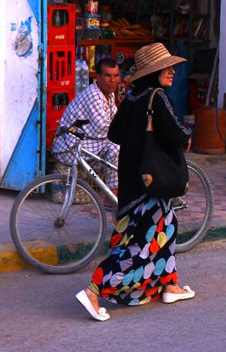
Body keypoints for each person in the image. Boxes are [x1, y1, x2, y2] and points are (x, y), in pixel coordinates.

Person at [75, 43, 195, 321]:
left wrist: (141, 139)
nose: (172, 72)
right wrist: (185, 134)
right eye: (167, 68)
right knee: (138, 246)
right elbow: (177, 133)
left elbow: (116, 134)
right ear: (154, 72)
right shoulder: (158, 97)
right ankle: (94, 290)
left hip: (132, 181)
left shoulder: (131, 99)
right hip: (150, 184)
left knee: (166, 230)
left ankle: (170, 285)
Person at [50, 58, 121, 193]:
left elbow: (116, 121)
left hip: (86, 142)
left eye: (116, 76)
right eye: (108, 76)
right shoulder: (94, 95)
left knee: (120, 150)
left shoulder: (109, 95)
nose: (113, 80)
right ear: (98, 78)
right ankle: (112, 195)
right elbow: (105, 128)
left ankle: (113, 193)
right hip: (69, 148)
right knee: (115, 148)